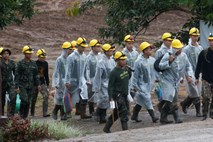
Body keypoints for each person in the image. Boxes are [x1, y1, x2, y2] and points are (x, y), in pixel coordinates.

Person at [159, 39, 194, 124]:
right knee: (171, 98)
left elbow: (188, 66)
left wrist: (189, 75)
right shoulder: (168, 55)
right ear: (173, 48)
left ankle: (163, 116)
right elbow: (160, 66)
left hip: (176, 81)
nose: (179, 50)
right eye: (177, 49)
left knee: (170, 99)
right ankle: (176, 117)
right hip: (167, 80)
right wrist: (169, 61)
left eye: (180, 48)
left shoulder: (184, 56)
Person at [131, 42, 159, 123]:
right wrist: (134, 86)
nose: (151, 51)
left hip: (149, 84)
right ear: (144, 51)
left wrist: (157, 79)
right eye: (149, 49)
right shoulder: (138, 62)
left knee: (141, 100)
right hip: (141, 84)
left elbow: (154, 71)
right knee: (147, 99)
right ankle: (153, 117)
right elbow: (135, 75)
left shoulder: (152, 60)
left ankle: (134, 115)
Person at [103, 51, 131, 133]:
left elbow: (127, 78)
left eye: (124, 60)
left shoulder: (125, 69)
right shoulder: (114, 72)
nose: (124, 61)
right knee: (123, 112)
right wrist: (110, 97)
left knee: (116, 113)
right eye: (122, 60)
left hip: (125, 94)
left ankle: (106, 128)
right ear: (117, 60)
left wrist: (129, 71)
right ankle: (125, 130)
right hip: (118, 95)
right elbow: (110, 86)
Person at [65, 37, 91, 119]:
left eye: (84, 47)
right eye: (82, 47)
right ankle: (67, 113)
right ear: (78, 46)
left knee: (84, 95)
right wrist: (67, 81)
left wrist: (87, 79)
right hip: (73, 81)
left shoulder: (84, 56)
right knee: (73, 98)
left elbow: (86, 69)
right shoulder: (71, 57)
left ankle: (83, 113)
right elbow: (68, 70)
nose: (83, 48)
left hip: (82, 79)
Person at [181, 27, 203, 117]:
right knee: (195, 93)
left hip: (198, 73)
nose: (195, 37)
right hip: (190, 74)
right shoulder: (186, 49)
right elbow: (184, 64)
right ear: (190, 36)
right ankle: (198, 112)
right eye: (194, 36)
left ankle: (184, 104)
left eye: (197, 36)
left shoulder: (200, 48)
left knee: (195, 92)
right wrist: (187, 76)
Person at [15, 45, 41, 119]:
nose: (29, 55)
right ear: (24, 54)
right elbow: (17, 75)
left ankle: (24, 118)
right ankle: (21, 115)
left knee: (28, 102)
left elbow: (36, 75)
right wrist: (16, 86)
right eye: (28, 53)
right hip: (22, 85)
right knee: (24, 100)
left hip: (31, 86)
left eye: (30, 53)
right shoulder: (20, 63)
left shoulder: (33, 63)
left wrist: (38, 84)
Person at [93, 43, 116, 123]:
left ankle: (99, 114)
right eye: (110, 51)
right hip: (103, 84)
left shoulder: (112, 60)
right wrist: (97, 87)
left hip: (110, 83)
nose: (112, 52)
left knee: (108, 99)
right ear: (106, 52)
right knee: (104, 99)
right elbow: (98, 76)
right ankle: (101, 116)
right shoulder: (101, 62)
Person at [52, 41, 72, 120]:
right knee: (59, 98)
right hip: (60, 82)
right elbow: (56, 72)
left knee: (65, 98)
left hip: (67, 82)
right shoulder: (59, 59)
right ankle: (55, 111)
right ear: (66, 50)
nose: (71, 51)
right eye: (70, 49)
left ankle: (63, 114)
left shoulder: (70, 59)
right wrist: (56, 82)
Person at [195, 34, 213, 121]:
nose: (212, 42)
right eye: (210, 40)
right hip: (206, 78)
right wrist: (196, 77)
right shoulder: (204, 53)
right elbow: (198, 65)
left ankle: (212, 113)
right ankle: (205, 113)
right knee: (206, 97)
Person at [84, 39, 102, 115]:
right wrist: (88, 79)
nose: (99, 48)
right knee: (91, 95)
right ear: (92, 47)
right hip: (92, 79)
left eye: (99, 46)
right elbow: (87, 69)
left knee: (100, 95)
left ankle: (99, 110)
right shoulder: (88, 57)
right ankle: (91, 111)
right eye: (97, 46)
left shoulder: (100, 56)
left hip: (100, 79)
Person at [31, 49, 50, 117]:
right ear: (38, 56)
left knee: (46, 96)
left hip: (42, 82)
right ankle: (32, 113)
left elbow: (46, 75)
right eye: (42, 57)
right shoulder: (34, 63)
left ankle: (45, 113)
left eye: (44, 57)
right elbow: (33, 75)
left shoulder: (46, 63)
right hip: (34, 83)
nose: (43, 58)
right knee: (33, 98)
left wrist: (47, 85)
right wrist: (36, 84)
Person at [1, 48, 16, 116]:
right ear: (2, 55)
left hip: (10, 83)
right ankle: (1, 115)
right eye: (4, 53)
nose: (6, 55)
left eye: (7, 53)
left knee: (13, 97)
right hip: (1, 84)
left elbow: (16, 73)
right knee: (1, 101)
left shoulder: (12, 62)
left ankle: (11, 115)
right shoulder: (0, 63)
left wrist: (17, 84)